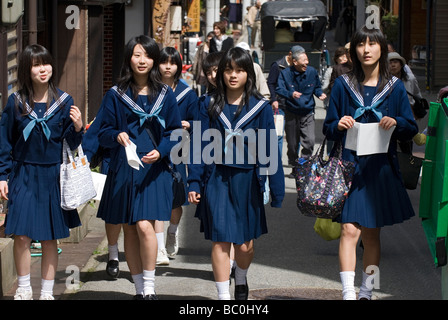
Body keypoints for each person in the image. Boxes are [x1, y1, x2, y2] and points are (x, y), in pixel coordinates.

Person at [323, 26, 418, 300]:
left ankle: (368, 288)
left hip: (380, 169)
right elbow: (328, 127)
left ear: (382, 49)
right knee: (349, 230)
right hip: (348, 167)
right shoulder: (343, 85)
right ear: (353, 50)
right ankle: (348, 292)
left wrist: (396, 122)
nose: (366, 49)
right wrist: (338, 124)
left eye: (372, 44)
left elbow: (410, 126)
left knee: (372, 235)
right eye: (361, 44)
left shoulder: (395, 88)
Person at [188, 47, 284, 300]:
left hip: (247, 181)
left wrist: (277, 188)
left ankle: (240, 278)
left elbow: (269, 148)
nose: (233, 75)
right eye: (228, 69)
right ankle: (223, 297)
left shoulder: (260, 107)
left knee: (244, 245)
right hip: (216, 179)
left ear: (248, 74)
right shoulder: (207, 105)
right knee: (220, 241)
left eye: (240, 70)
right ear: (220, 73)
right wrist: (194, 182)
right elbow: (198, 144)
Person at [96, 35, 182, 300]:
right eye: (136, 55)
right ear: (128, 59)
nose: (142, 60)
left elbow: (176, 131)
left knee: (145, 225)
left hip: (153, 168)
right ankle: (138, 289)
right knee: (130, 228)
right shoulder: (116, 94)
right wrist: (117, 136)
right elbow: (103, 131)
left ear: (154, 59)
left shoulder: (165, 95)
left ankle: (150, 286)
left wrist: (163, 150)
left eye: (147, 55)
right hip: (126, 167)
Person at [0, 44, 83, 300]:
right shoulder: (16, 102)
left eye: (45, 63)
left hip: (53, 177)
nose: (42, 69)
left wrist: (78, 127)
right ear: (27, 69)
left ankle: (47, 293)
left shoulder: (64, 101)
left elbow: (71, 145)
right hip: (22, 174)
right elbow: (4, 141)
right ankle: (24, 288)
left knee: (49, 239)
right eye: (36, 65)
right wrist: (2, 175)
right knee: (22, 235)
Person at [155, 47, 198, 265]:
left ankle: (172, 231)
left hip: (179, 150)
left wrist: (188, 124)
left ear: (179, 66)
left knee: (175, 199)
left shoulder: (187, 94)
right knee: (156, 197)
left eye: (173, 63)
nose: (168, 66)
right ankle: (159, 247)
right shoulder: (151, 89)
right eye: (164, 62)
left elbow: (198, 121)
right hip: (156, 148)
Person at [83, 105, 122, 279]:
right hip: (113, 159)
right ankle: (113, 255)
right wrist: (85, 157)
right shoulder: (115, 97)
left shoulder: (155, 95)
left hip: (142, 160)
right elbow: (97, 128)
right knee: (114, 213)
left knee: (136, 218)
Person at [276, 46, 326, 175]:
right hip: (291, 112)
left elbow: (317, 87)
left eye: (307, 59)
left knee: (309, 141)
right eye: (303, 60)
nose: (307, 63)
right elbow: (279, 89)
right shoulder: (285, 73)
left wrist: (320, 94)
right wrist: (290, 94)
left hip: (308, 112)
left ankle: (303, 166)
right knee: (292, 145)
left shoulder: (312, 72)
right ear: (295, 62)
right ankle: (294, 165)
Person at [267, 45, 306, 158]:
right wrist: (273, 99)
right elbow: (271, 83)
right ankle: (277, 160)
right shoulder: (277, 65)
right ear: (290, 55)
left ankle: (293, 160)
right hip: (280, 104)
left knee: (294, 136)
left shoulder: (300, 66)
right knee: (278, 134)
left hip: (295, 106)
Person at [388, 51, 423, 154]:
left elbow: (417, 94)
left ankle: (407, 165)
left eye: (395, 62)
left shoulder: (410, 79)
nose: (393, 65)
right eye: (390, 62)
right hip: (390, 116)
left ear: (401, 64)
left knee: (406, 145)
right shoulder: (382, 81)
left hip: (407, 115)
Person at [191, 31, 214, 96]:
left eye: (211, 37)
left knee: (211, 89)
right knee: (202, 90)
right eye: (209, 37)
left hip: (211, 72)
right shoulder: (202, 46)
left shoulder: (214, 47)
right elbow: (197, 58)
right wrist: (194, 69)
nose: (209, 39)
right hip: (202, 72)